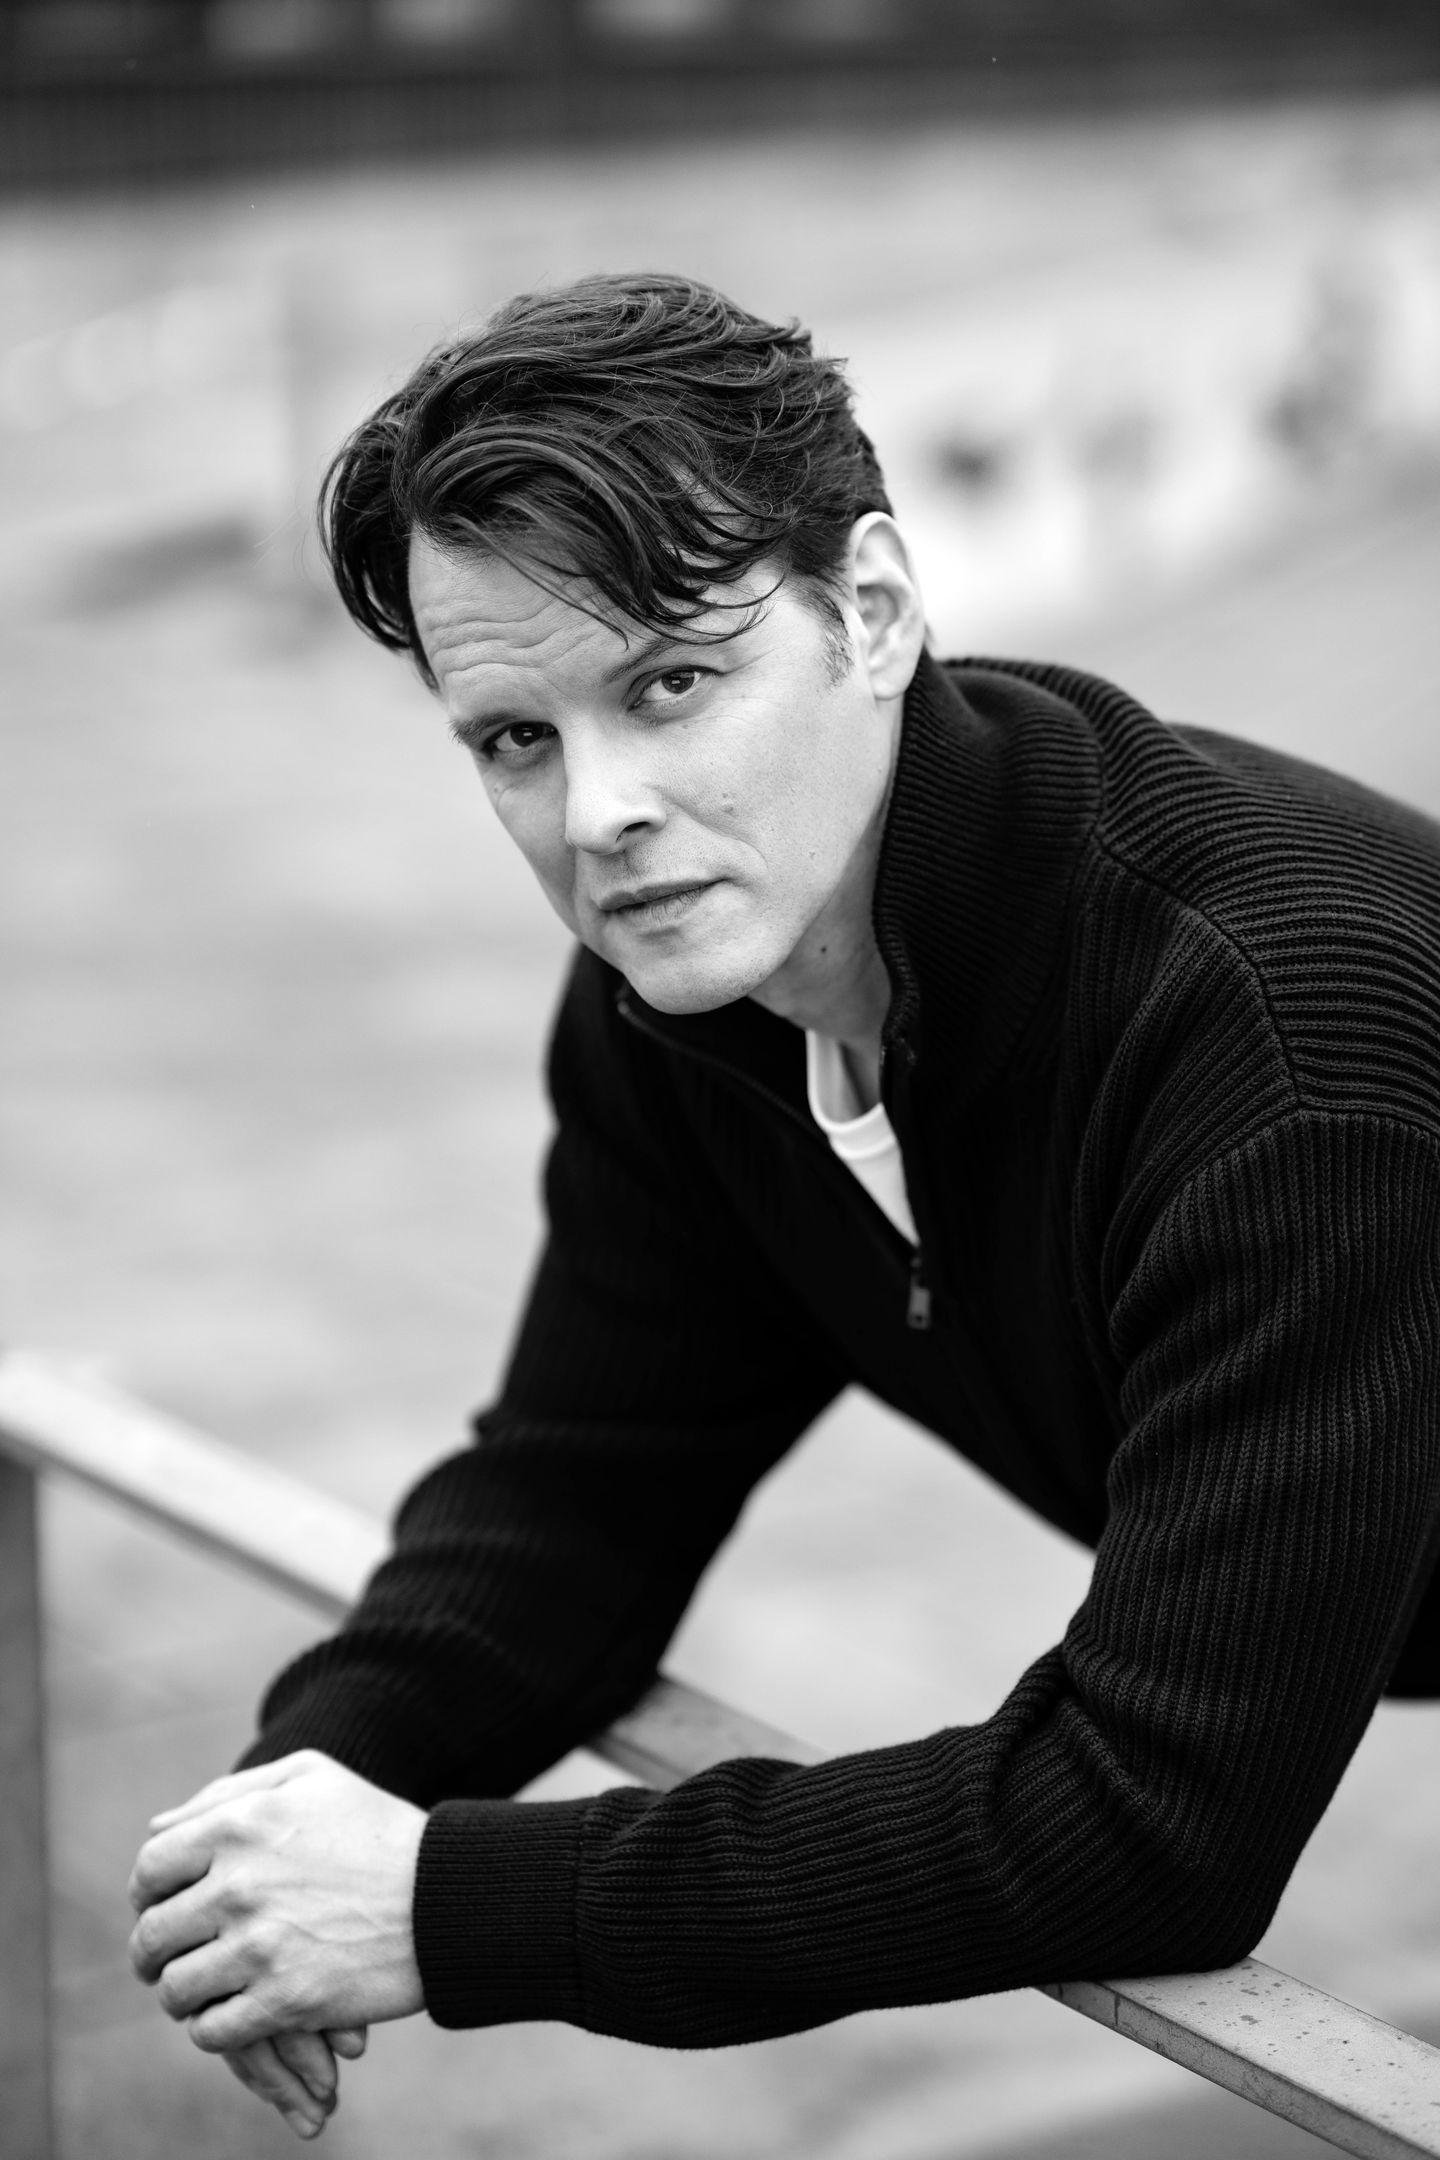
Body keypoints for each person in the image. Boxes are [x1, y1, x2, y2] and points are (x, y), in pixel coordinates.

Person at [127, 271, 1440, 2142]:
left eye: (672, 684)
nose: (601, 813)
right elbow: (584, 1489)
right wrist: (293, 1820)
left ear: (875, 612)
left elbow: (1154, 1823)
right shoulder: (690, 1000)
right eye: (514, 738)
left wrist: (444, 1906)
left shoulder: (1285, 1042)